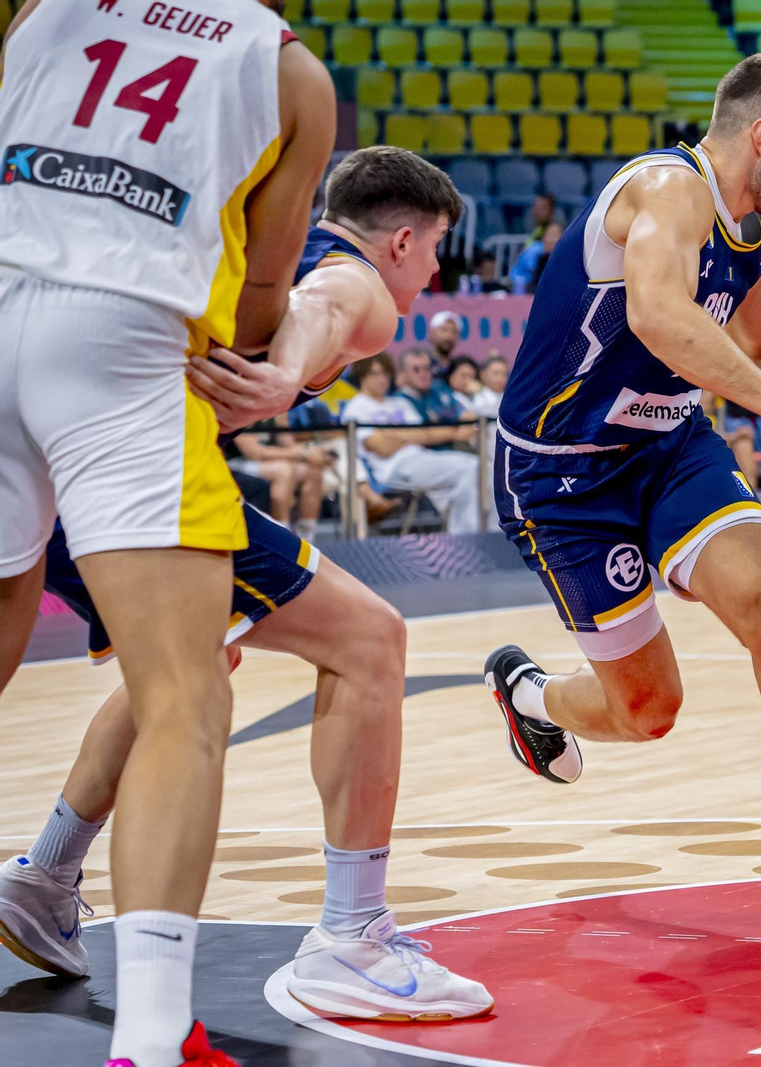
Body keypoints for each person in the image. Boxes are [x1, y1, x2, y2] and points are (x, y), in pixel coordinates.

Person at [3, 146, 490, 1023]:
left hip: (47, 448)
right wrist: (283, 377)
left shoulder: (277, 247)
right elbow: (326, 304)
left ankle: (45, 877)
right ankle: (352, 934)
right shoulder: (362, 286)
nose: (435, 271)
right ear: (405, 239)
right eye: (436, 249)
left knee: (196, 661)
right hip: (121, 472)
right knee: (371, 639)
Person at [482, 53, 761, 932]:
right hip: (562, 471)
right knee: (647, 712)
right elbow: (658, 315)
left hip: (671, 448)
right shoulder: (664, 189)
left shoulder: (751, 233)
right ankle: (529, 694)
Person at [0, 4, 335, 1064]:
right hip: (125, 337)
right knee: (186, 692)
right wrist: (249, 357)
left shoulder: (46, 6)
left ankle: (47, 884)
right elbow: (266, 288)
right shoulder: (287, 71)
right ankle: (152, 1036)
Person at [341, 355, 482, 533]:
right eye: (375, 374)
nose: (382, 379)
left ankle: (467, 534)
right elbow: (381, 448)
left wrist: (391, 434)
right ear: (362, 377)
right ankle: (466, 536)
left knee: (478, 468)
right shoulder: (357, 407)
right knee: (471, 469)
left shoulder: (399, 403)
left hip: (420, 457)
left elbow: (425, 435)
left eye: (385, 374)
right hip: (392, 468)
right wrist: (409, 436)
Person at [225, 427, 333, 539]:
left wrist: (312, 451)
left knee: (312, 471)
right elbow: (254, 453)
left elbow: (288, 444)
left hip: (269, 461)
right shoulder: (244, 411)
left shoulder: (279, 412)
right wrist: (302, 453)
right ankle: (282, 537)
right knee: (283, 471)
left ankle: (307, 537)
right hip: (235, 462)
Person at [395, 346, 468, 424]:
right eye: (416, 370)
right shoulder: (399, 400)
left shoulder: (440, 388)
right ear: (403, 373)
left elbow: (468, 416)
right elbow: (421, 433)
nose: (423, 374)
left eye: (426, 368)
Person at [510, 218, 564, 294]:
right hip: (525, 284)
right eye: (550, 234)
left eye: (555, 235)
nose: (552, 239)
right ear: (544, 236)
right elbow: (528, 272)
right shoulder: (533, 250)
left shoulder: (564, 254)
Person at [425, 310, 460, 376]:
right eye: (444, 330)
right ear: (432, 332)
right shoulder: (421, 364)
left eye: (454, 332)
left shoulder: (457, 368)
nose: (449, 336)